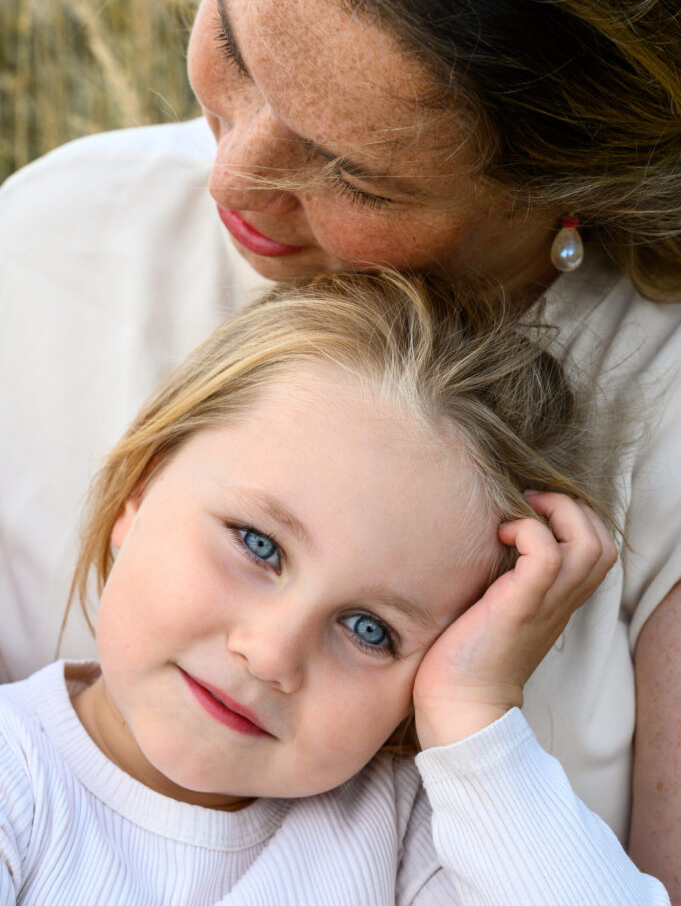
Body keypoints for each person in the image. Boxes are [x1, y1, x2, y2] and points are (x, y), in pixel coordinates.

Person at [1, 0, 680, 895]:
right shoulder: (54, 229)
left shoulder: (406, 832)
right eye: (235, 35)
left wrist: (478, 733)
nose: (228, 174)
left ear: (568, 185)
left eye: (359, 177)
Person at [0, 271, 668, 904]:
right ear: (138, 498)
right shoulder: (15, 775)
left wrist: (473, 713)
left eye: (369, 629)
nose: (269, 655)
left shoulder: (418, 839)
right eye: (257, 545)